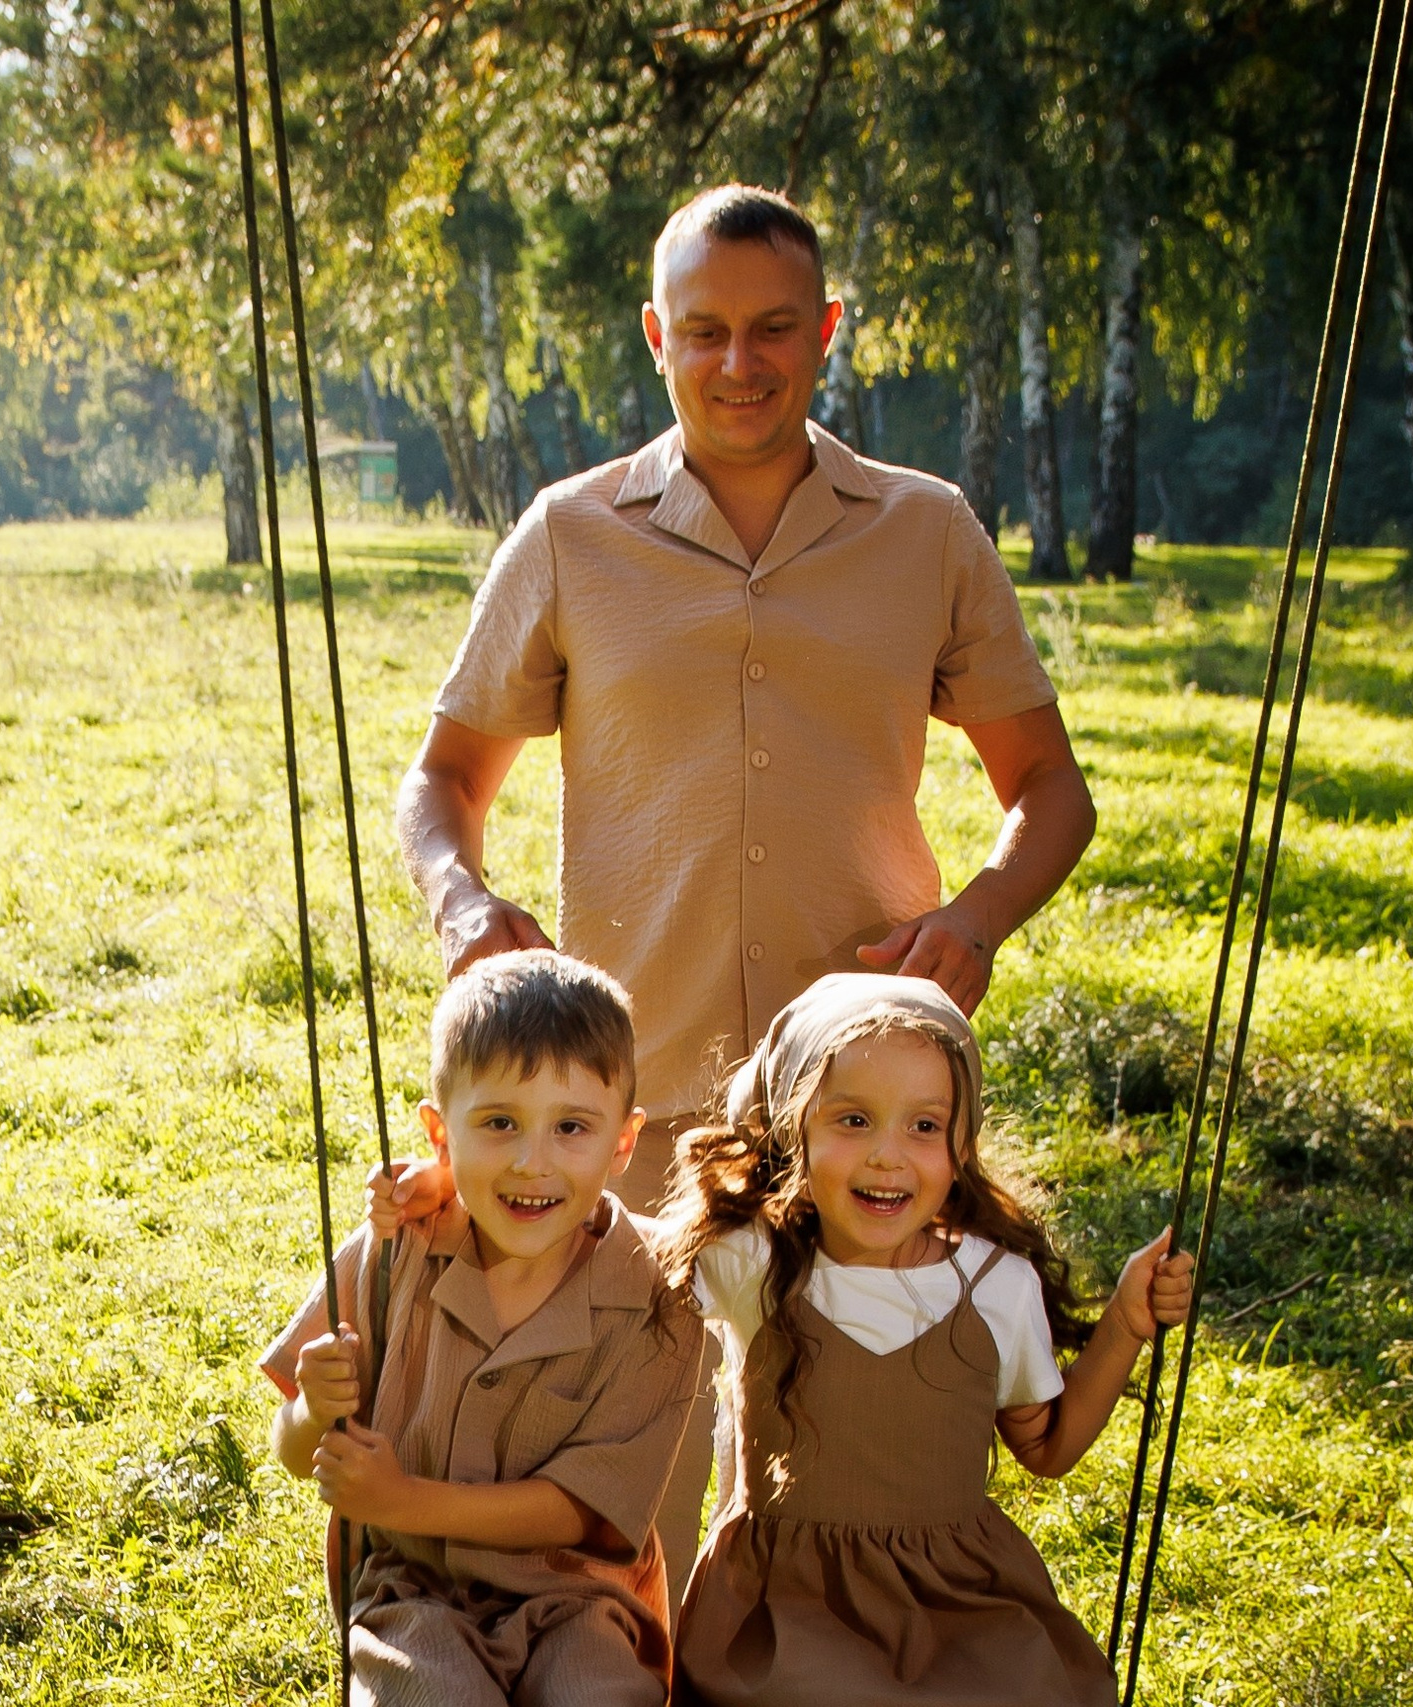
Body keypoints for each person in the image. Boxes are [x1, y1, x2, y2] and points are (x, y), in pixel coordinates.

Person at [393, 180, 1096, 1590]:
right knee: (632, 1474)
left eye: (776, 327)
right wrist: (464, 903)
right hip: (636, 1087)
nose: (741, 362)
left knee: (846, 1478)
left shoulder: (927, 529)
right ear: (658, 335)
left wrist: (974, 918)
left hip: (864, 1103)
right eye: (705, 330)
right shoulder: (571, 533)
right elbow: (439, 785)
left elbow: (1051, 797)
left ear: (828, 329)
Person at [657, 973, 1193, 1706]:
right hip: (786, 1610)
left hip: (956, 1606)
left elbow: (1049, 1446)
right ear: (794, 1129)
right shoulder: (755, 1263)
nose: (888, 1154)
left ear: (961, 1143)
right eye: (853, 1120)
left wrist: (1127, 1324)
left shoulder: (995, 1285)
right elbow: (622, 1267)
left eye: (924, 1125)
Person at [264, 951, 708, 1707]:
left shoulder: (659, 1295)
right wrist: (310, 1407)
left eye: (572, 1126)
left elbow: (575, 1509)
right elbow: (300, 1453)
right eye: (499, 1123)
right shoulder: (395, 1248)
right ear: (440, 1132)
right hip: (415, 1593)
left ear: (624, 1142)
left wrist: (400, 1499)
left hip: (582, 1599)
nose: (533, 1163)